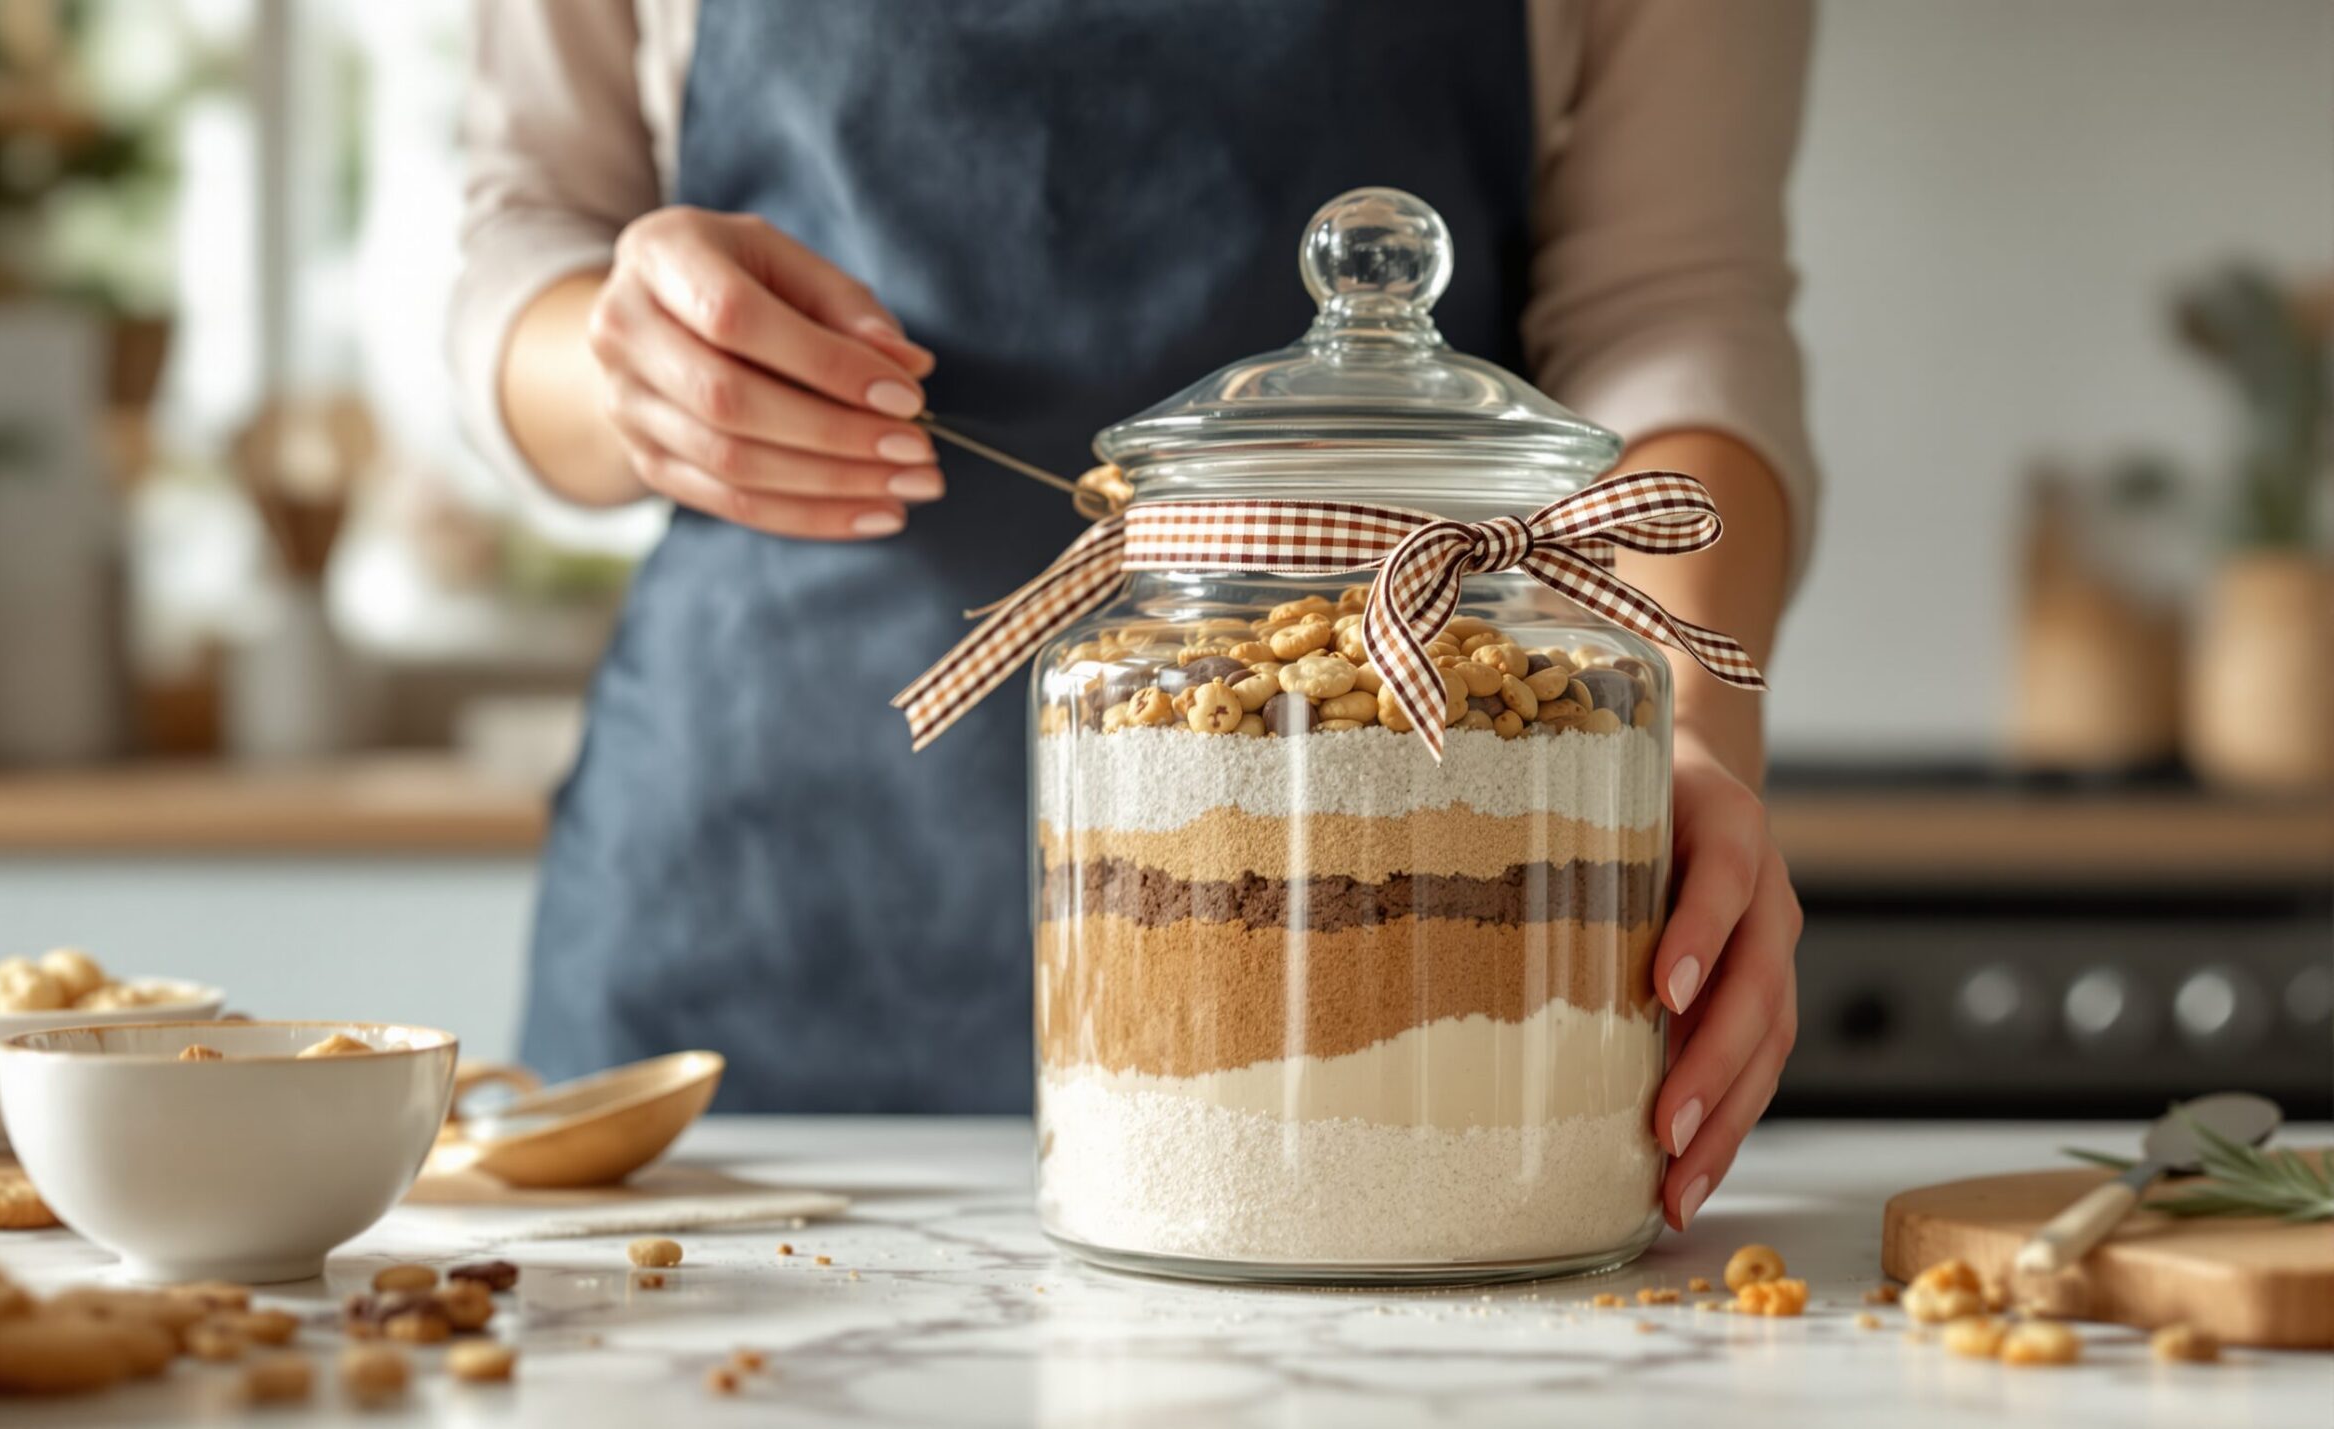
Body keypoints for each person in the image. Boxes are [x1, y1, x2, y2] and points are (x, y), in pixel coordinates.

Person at [454, 0, 1815, 1233]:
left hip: (1412, 772)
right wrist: (624, 361)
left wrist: (1674, 732)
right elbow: (522, 238)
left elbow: (1674, 309)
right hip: (749, 866)